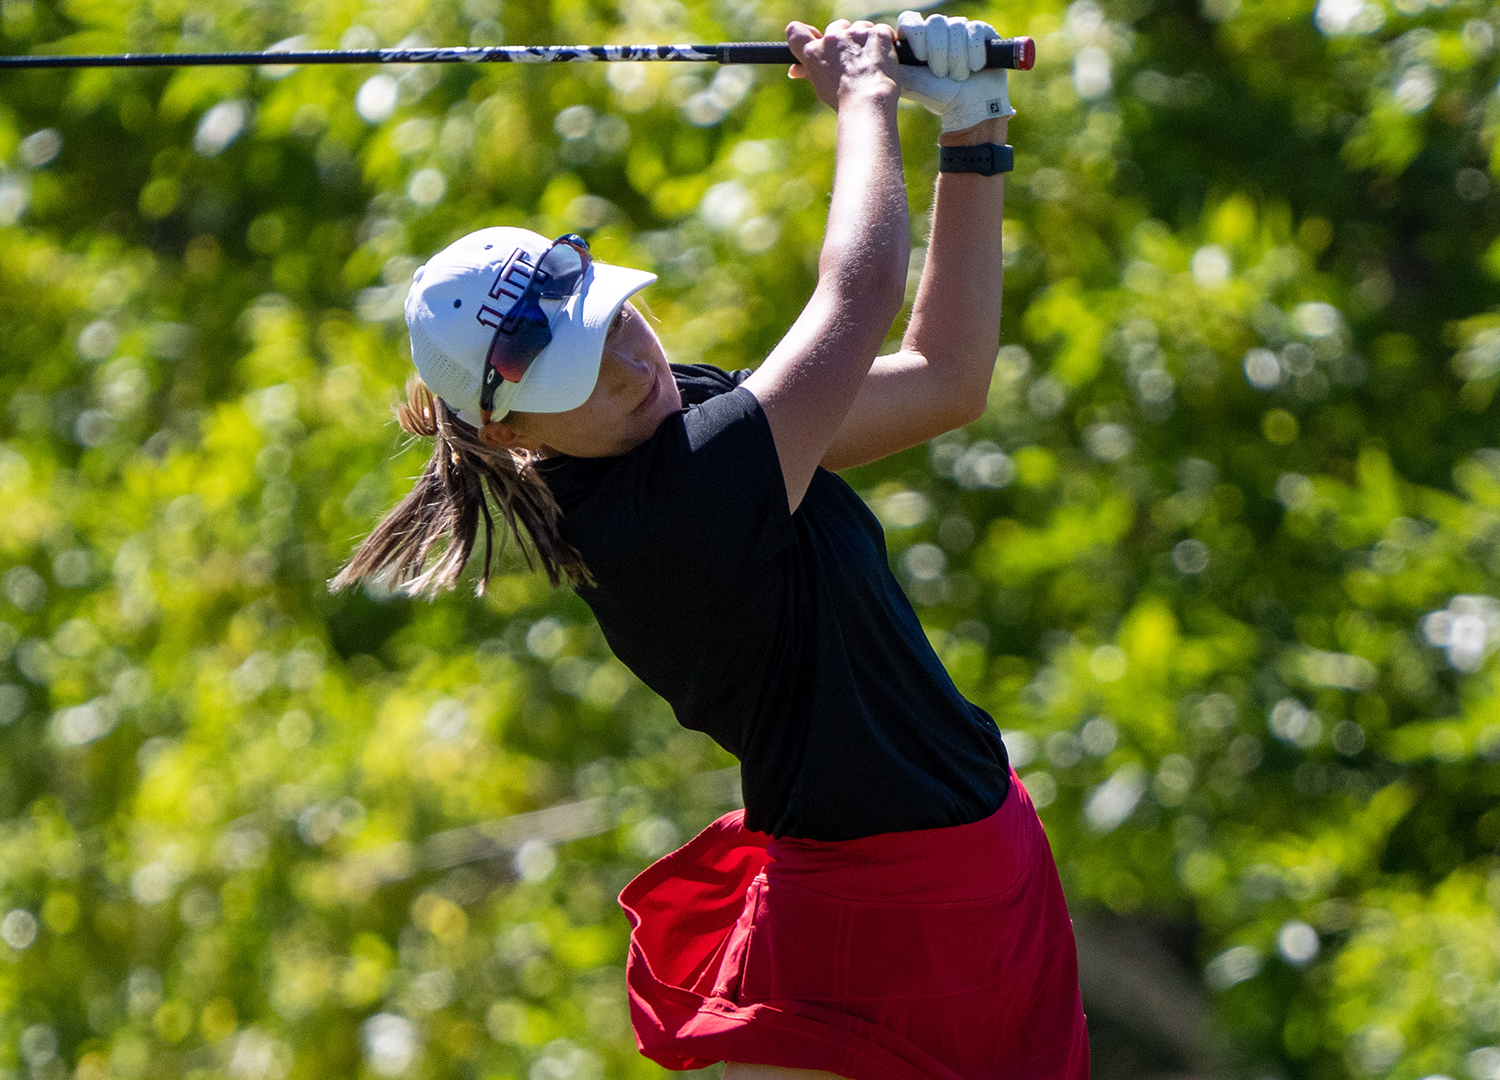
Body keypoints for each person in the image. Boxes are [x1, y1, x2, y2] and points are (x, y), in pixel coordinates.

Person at [334, 13, 1087, 1080]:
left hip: (989, 866)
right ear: (508, 431)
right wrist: (866, 96)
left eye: (616, 327)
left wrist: (974, 132)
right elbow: (859, 295)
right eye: (578, 378)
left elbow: (946, 377)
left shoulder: (679, 422)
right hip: (871, 929)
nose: (632, 369)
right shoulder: (664, 512)